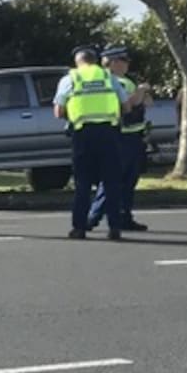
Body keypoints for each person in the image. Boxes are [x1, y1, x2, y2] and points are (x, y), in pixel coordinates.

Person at [53, 45, 130, 240]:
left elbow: (58, 111)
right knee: (111, 182)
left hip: (83, 134)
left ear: (78, 61)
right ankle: (114, 228)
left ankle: (79, 228)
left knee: (83, 183)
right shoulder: (108, 77)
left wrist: (72, 115)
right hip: (109, 134)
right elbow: (126, 105)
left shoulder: (71, 78)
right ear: (95, 60)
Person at [88, 46, 153, 232]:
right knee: (113, 179)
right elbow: (129, 103)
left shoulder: (125, 81)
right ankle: (93, 216)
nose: (127, 64)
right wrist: (141, 90)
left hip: (132, 135)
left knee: (129, 180)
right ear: (114, 62)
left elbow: (148, 103)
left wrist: (143, 93)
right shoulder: (115, 81)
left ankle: (124, 216)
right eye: (124, 60)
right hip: (122, 136)